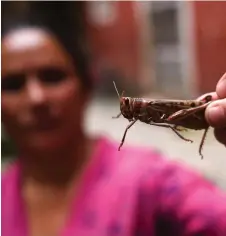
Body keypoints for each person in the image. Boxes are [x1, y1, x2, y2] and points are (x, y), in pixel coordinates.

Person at [2, 3, 226, 236]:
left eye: (52, 77)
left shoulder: (151, 180)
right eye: (12, 85)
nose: (37, 98)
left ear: (86, 85)